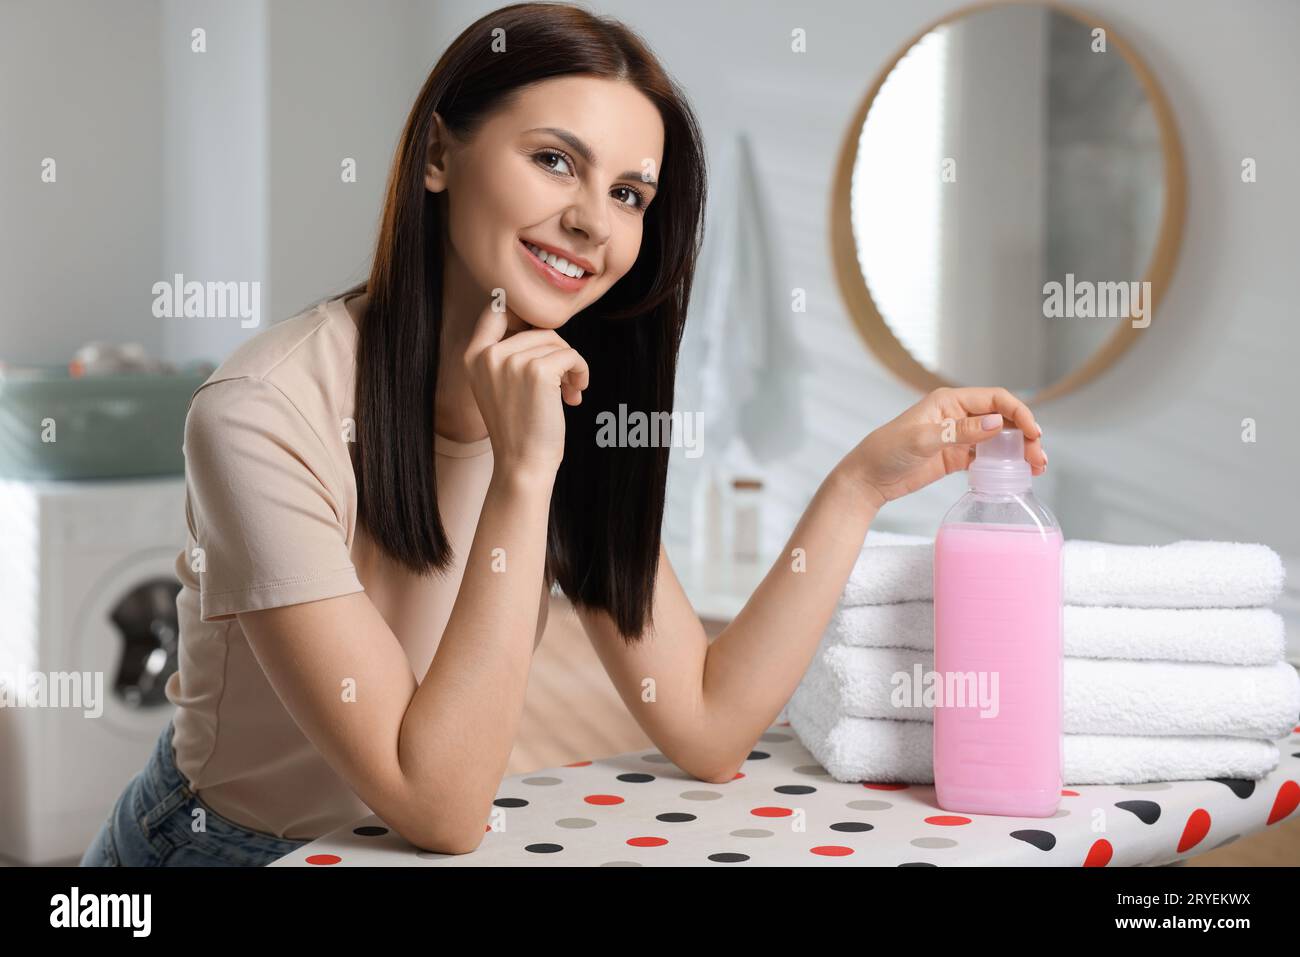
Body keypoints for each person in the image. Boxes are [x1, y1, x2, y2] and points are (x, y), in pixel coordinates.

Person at [81, 1, 1045, 866]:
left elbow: (704, 722)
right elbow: (440, 803)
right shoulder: (262, 410)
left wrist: (857, 487)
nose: (592, 221)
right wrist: (522, 472)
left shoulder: (567, 385)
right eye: (555, 160)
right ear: (437, 155)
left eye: (630, 194)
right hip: (231, 850)